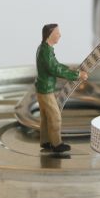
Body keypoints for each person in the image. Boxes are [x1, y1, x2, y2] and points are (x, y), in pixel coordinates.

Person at [35, 23, 88, 153]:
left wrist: (68, 69)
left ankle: (46, 141)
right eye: (57, 33)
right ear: (50, 35)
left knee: (46, 117)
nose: (60, 35)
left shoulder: (45, 48)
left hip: (42, 87)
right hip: (46, 90)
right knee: (55, 116)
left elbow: (56, 65)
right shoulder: (46, 51)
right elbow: (55, 69)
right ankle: (56, 144)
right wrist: (77, 75)